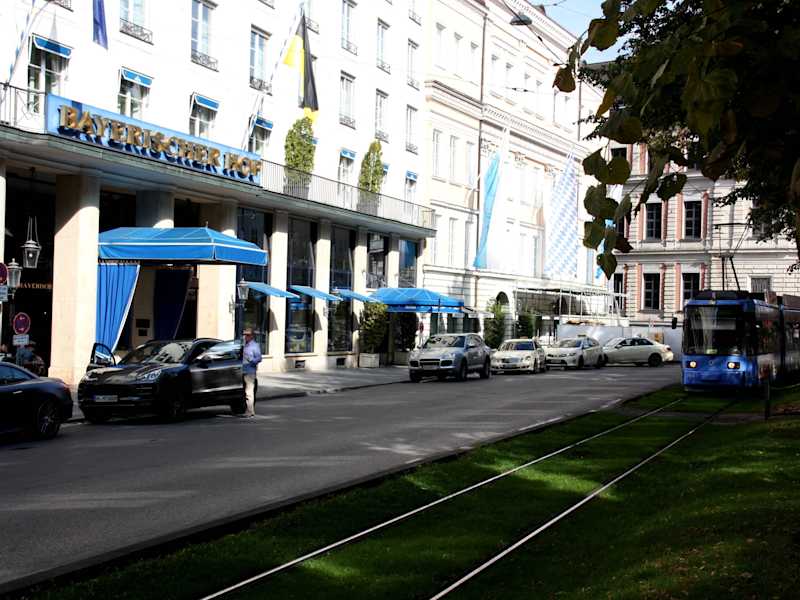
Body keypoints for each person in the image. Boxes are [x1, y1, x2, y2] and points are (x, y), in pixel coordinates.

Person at [242, 329, 262, 417]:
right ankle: (247, 410)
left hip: (250, 371)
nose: (245, 336)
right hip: (242, 370)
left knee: (249, 392)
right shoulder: (244, 345)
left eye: (247, 335)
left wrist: (251, 361)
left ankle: (250, 411)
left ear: (252, 336)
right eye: (244, 335)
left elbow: (259, 358)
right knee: (244, 392)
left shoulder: (254, 345)